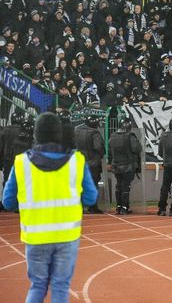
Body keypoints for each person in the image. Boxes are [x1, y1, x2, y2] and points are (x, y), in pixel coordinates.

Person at [2, 112, 98, 303]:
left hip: (35, 236)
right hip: (66, 235)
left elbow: (8, 202)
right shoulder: (76, 160)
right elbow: (91, 197)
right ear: (59, 133)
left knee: (37, 285)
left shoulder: (21, 162)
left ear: (36, 134)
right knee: (60, 286)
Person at [108, 117, 142, 215]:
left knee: (118, 186)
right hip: (128, 165)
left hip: (116, 165)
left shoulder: (113, 135)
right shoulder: (130, 136)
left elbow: (110, 150)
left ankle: (118, 206)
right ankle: (124, 207)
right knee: (125, 186)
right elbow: (137, 148)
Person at [74, 116, 105, 214]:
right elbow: (98, 147)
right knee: (93, 185)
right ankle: (93, 207)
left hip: (79, 161)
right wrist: (101, 154)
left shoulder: (76, 131)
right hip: (92, 162)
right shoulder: (94, 133)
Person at [0, 111, 24, 211]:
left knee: (7, 181)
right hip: (21, 160)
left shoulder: (5, 130)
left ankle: (7, 204)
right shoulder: (24, 131)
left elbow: (1, 146)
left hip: (8, 159)